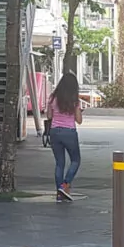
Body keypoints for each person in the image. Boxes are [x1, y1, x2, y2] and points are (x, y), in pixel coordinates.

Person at [46, 73, 83, 202]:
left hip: (55, 132)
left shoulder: (52, 98)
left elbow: (49, 116)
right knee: (75, 160)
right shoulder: (74, 101)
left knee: (59, 163)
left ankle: (59, 193)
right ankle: (65, 184)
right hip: (69, 133)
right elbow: (79, 120)